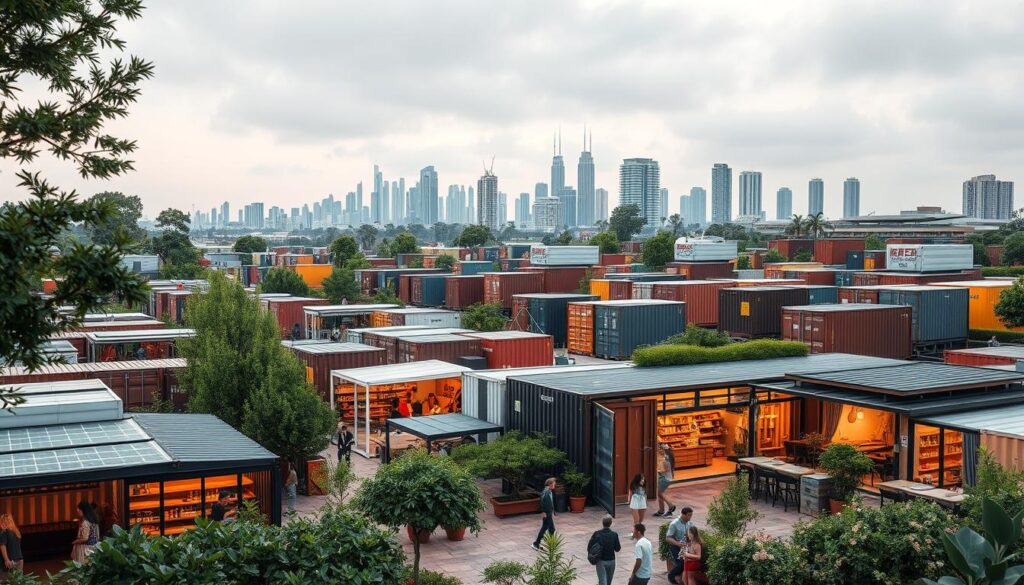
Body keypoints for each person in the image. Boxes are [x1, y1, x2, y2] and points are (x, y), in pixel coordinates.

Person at [587, 514, 621, 585]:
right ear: (610, 523)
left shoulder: (597, 534)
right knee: (608, 582)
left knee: (602, 581)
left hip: (601, 561)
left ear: (602, 523)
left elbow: (589, 547)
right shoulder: (614, 534)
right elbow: (617, 549)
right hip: (611, 561)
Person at [665, 507, 695, 585]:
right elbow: (668, 538)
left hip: (686, 546)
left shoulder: (690, 523)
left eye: (691, 515)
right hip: (676, 546)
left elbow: (694, 534)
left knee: (686, 563)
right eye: (689, 515)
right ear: (683, 514)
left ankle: (679, 577)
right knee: (681, 563)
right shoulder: (674, 524)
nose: (690, 517)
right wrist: (678, 544)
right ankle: (671, 576)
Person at [531, 477, 557, 551]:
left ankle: (538, 543)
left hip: (548, 512)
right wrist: (543, 512)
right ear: (550, 484)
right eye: (554, 484)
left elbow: (550, 502)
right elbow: (542, 502)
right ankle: (541, 544)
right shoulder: (546, 492)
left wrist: (553, 511)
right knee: (551, 529)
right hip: (547, 513)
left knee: (547, 528)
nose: (555, 485)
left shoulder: (549, 491)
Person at [654, 443, 677, 517]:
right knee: (660, 493)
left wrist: (657, 470)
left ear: (664, 450)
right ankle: (661, 510)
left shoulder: (665, 458)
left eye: (660, 449)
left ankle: (671, 506)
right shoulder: (664, 457)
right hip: (665, 477)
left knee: (660, 493)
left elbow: (666, 469)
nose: (658, 450)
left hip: (665, 478)